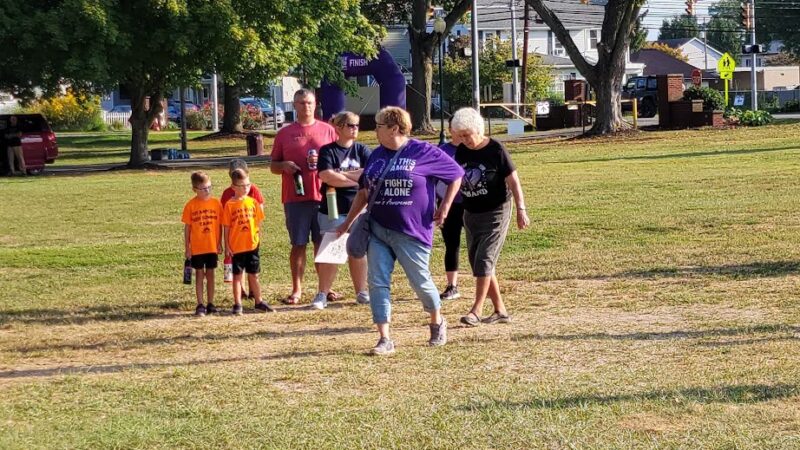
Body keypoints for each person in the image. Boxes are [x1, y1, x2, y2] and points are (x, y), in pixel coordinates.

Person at [337, 107, 463, 355]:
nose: (374, 130)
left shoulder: (423, 151)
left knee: (420, 281)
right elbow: (364, 192)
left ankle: (437, 321)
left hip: (412, 230)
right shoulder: (376, 156)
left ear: (394, 128)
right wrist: (347, 223)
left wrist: (445, 206)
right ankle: (384, 338)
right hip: (378, 229)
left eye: (379, 125)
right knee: (377, 282)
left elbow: (456, 175)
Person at [450, 107, 530, 327]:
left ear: (478, 129)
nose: (464, 140)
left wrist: (521, 209)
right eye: (460, 135)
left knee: (484, 260)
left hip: (496, 211)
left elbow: (514, 181)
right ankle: (500, 311)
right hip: (471, 213)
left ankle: (476, 310)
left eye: (467, 135)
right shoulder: (462, 151)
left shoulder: (496, 149)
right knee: (479, 262)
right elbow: (457, 178)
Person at [270, 89, 337, 305]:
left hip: (325, 195)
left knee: (323, 243)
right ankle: (297, 289)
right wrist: (283, 166)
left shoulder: (328, 131)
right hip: (295, 196)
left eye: (309, 102)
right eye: (301, 103)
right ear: (294, 106)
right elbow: (272, 165)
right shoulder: (285, 133)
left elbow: (339, 159)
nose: (305, 106)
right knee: (298, 244)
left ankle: (324, 289)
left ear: (315, 104)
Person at [312, 111, 371, 310]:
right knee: (331, 252)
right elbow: (327, 176)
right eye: (351, 125)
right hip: (333, 209)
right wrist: (355, 179)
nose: (355, 129)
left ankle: (362, 292)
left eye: (357, 125)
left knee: (358, 251)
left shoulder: (363, 150)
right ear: (339, 128)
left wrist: (342, 176)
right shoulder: (328, 151)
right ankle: (322, 294)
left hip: (360, 208)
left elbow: (369, 173)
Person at [222, 169, 274, 315]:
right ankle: (237, 303)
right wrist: (227, 246)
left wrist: (258, 238)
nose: (245, 188)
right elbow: (226, 227)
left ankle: (259, 301)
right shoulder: (229, 205)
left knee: (254, 274)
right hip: (236, 247)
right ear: (233, 187)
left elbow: (258, 222)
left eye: (247, 185)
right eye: (241, 186)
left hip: (252, 245)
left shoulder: (253, 202)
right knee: (237, 276)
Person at [221, 159, 264, 300]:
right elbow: (225, 221)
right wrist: (225, 243)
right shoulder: (227, 195)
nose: (245, 188)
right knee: (238, 272)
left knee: (253, 269)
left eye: (247, 184)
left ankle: (254, 293)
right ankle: (241, 294)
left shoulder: (254, 191)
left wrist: (258, 234)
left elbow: (259, 215)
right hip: (236, 239)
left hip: (250, 236)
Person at [181, 172, 223, 316]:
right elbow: (187, 228)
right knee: (199, 274)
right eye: (203, 188)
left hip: (211, 246)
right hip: (197, 248)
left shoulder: (216, 203)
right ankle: (200, 303)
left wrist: (219, 243)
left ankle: (211, 302)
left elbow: (220, 226)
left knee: (210, 274)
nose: (207, 191)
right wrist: (187, 247)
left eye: (209, 187)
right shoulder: (191, 205)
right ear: (195, 189)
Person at [437, 121, 465, 301]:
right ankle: (452, 285)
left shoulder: (473, 148)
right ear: (450, 130)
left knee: (477, 247)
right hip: (448, 204)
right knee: (451, 244)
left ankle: (485, 281)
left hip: (472, 203)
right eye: (457, 126)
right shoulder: (441, 151)